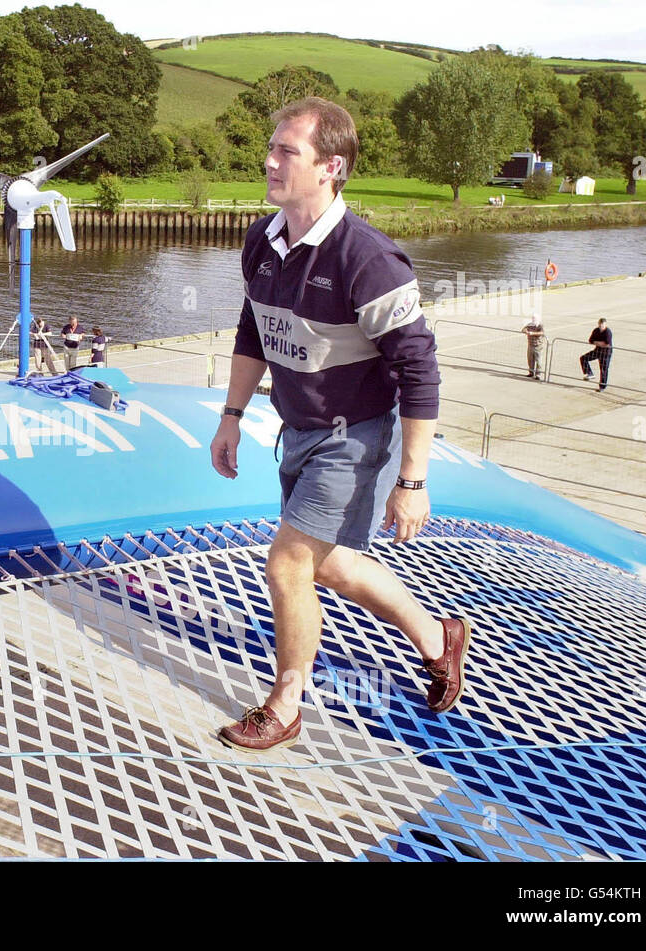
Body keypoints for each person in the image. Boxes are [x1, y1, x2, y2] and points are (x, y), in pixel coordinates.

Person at [209, 96, 472, 753]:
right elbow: (253, 328)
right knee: (331, 566)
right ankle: (439, 638)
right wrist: (232, 416)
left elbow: (419, 373)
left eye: (285, 151)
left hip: (352, 436)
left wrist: (412, 480)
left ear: (331, 166)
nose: (269, 160)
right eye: (271, 147)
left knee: (289, 563)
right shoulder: (261, 239)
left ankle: (285, 705)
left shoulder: (369, 261)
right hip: (295, 428)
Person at [580, 318, 612, 390]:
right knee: (583, 358)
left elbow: (607, 344)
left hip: (606, 354)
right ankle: (589, 373)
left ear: (605, 324)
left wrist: (597, 342)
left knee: (604, 369)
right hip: (597, 351)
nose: (600, 326)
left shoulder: (608, 332)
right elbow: (591, 340)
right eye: (599, 324)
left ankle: (602, 386)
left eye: (602, 324)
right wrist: (599, 343)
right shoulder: (596, 330)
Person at [522, 314, 546, 380]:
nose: (533, 320)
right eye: (533, 319)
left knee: (538, 361)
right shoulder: (530, 324)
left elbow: (542, 333)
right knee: (530, 360)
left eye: (535, 319)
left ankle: (538, 375)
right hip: (530, 345)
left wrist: (532, 333)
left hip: (538, 346)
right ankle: (531, 373)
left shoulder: (540, 325)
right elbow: (523, 329)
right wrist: (526, 331)